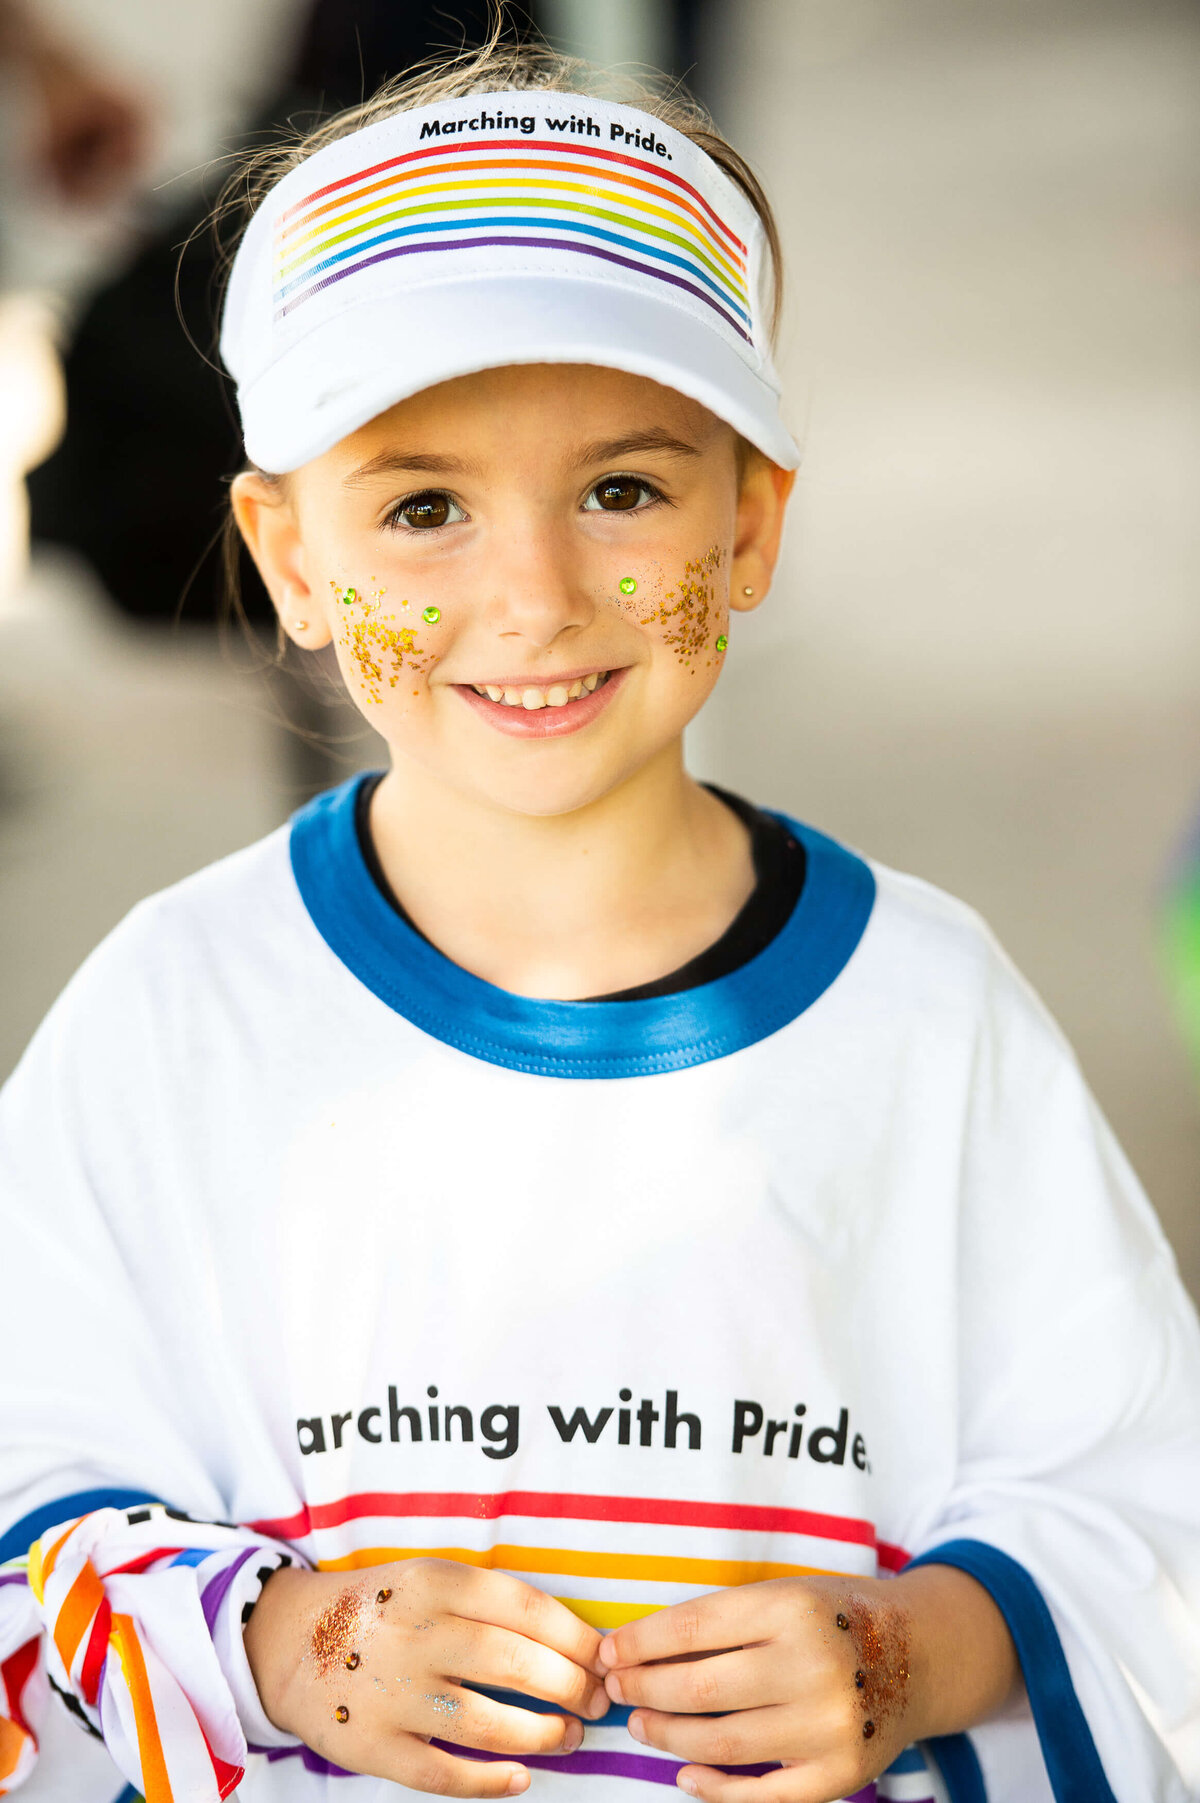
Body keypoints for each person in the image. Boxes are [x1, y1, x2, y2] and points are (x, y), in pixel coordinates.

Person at [1, 32, 1198, 1803]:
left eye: (624, 491)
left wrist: (911, 1650)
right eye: (422, 508)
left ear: (754, 522)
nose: (537, 599)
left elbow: (1137, 1506)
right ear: (288, 562)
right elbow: (30, 1503)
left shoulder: (927, 1015)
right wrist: (284, 1645)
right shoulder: (177, 1016)